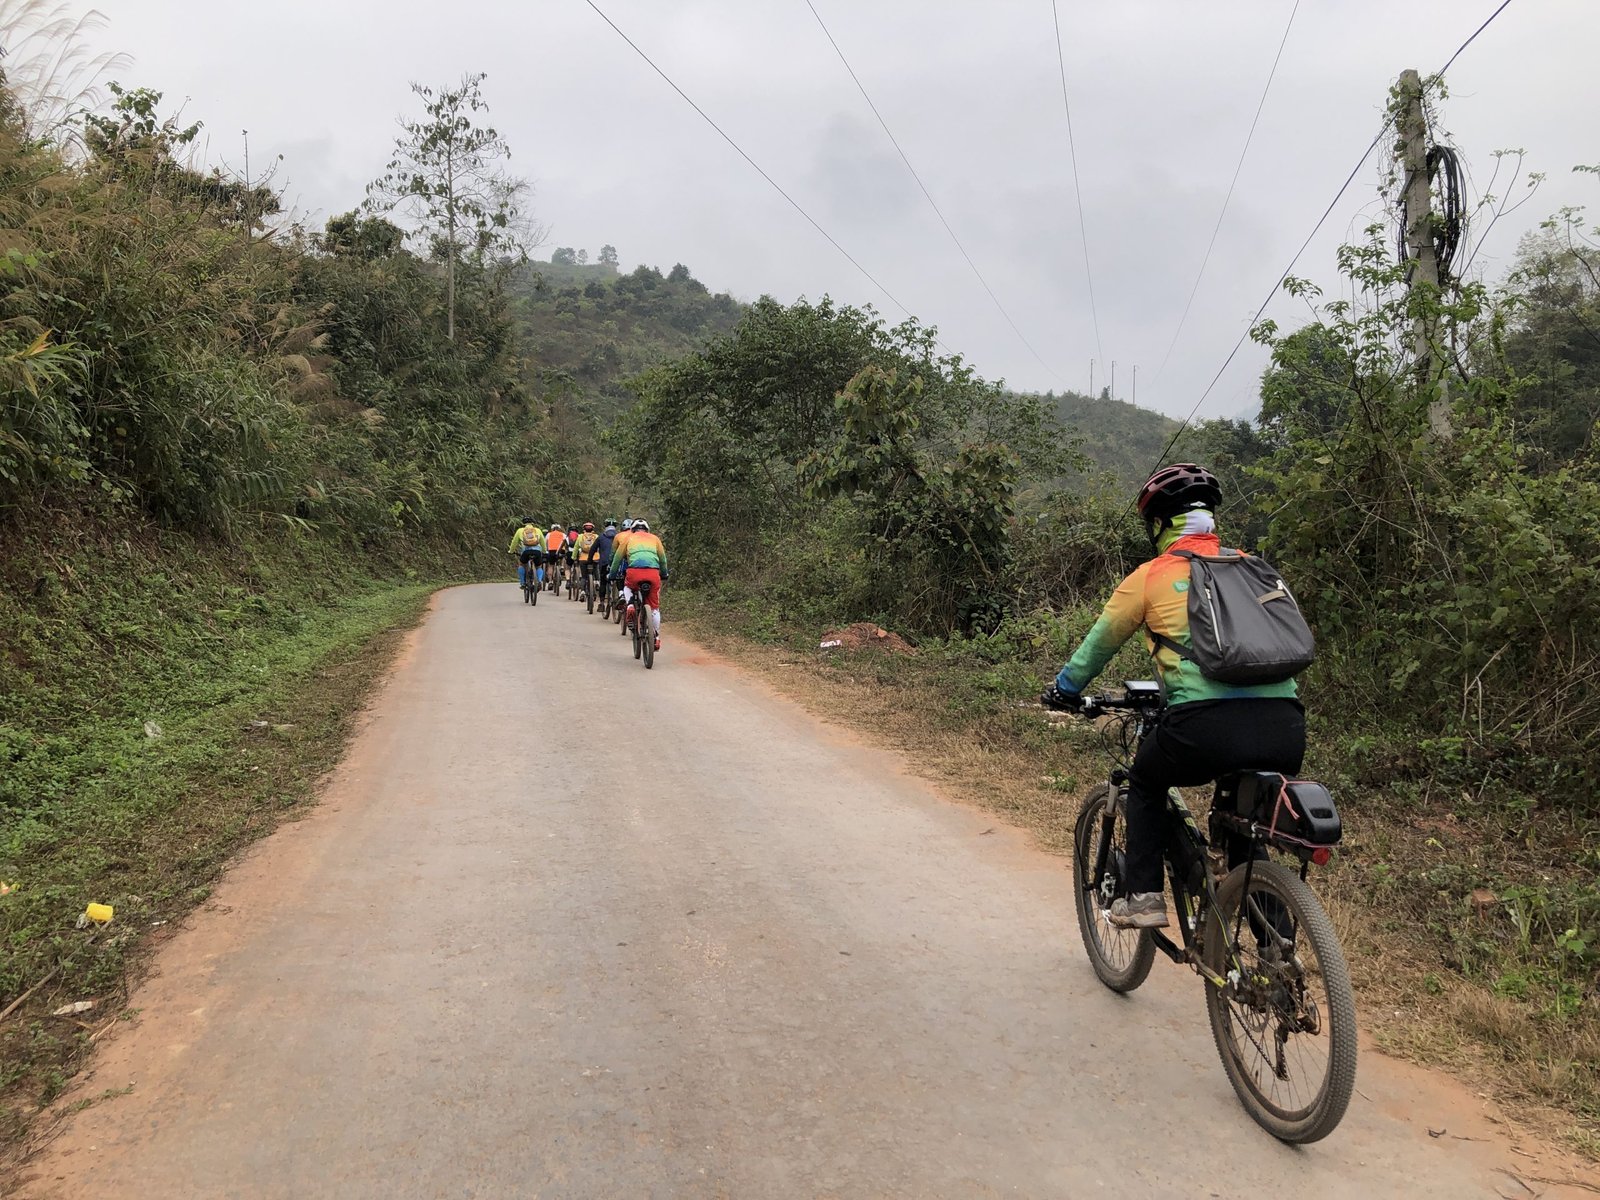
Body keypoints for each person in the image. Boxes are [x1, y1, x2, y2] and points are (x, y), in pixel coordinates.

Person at [1042, 464, 1304, 930]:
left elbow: (1095, 649)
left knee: (1145, 783)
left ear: (1160, 525)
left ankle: (1143, 897)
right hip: (1285, 726)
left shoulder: (1152, 576)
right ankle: (1276, 961)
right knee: (1241, 824)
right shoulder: (1253, 569)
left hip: (1202, 729)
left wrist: (1064, 691)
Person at [614, 518, 668, 650]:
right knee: (654, 608)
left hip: (634, 573)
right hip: (653, 573)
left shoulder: (628, 539)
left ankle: (631, 605)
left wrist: (611, 574)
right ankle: (656, 637)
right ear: (647, 530)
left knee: (627, 586)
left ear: (632, 530)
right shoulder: (655, 539)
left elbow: (617, 558)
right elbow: (662, 559)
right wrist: (664, 573)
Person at [509, 518, 545, 590]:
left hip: (526, 552)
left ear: (523, 523)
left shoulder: (520, 531)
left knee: (522, 564)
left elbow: (514, 542)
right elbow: (542, 542)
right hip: (537, 551)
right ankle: (539, 581)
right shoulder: (538, 530)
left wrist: (511, 551)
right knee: (538, 566)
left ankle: (522, 583)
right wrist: (544, 551)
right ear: (532, 523)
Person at [574, 522, 601, 599]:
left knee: (584, 577)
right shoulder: (596, 536)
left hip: (583, 559)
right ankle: (597, 582)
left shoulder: (580, 536)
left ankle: (582, 591)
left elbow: (576, 548)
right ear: (593, 529)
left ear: (584, 529)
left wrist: (573, 557)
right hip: (595, 558)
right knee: (596, 569)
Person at [544, 522, 568, 590]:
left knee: (551, 565)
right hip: (560, 550)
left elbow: (545, 543)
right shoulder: (563, 534)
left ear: (552, 529)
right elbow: (566, 542)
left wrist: (546, 550)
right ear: (559, 529)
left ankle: (550, 582)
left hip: (551, 550)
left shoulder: (549, 534)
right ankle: (562, 566)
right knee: (563, 557)